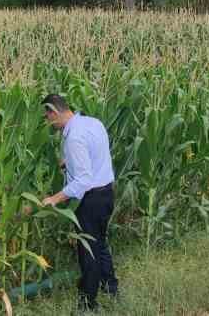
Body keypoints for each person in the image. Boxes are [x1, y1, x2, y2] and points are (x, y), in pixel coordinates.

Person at [41, 93, 118, 312]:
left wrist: (54, 199)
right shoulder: (93, 122)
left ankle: (87, 304)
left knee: (88, 251)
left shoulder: (73, 136)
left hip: (90, 199)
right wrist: (70, 162)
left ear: (54, 112)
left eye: (48, 117)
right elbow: (95, 154)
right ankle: (111, 289)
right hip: (106, 194)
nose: (48, 123)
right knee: (100, 244)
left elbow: (83, 180)